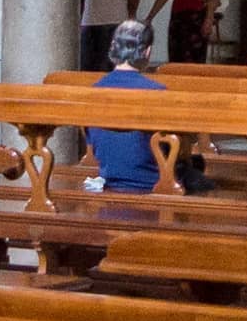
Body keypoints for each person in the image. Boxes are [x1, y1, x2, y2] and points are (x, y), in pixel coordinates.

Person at [81, 18, 202, 195]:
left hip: (109, 178)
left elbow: (93, 140)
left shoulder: (95, 90)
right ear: (147, 51)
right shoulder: (157, 92)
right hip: (151, 182)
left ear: (113, 47)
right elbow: (182, 144)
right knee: (200, 177)